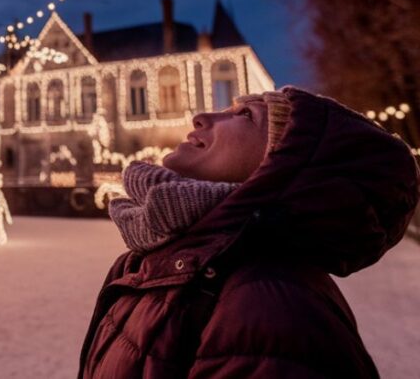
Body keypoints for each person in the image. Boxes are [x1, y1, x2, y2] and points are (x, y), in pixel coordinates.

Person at [78, 87, 418, 377]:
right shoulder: (164, 261)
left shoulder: (275, 312)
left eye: (245, 116)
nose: (202, 116)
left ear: (278, 165)